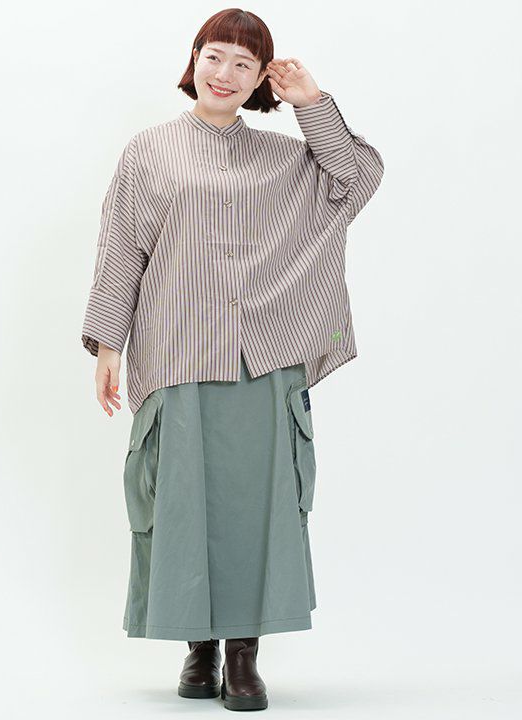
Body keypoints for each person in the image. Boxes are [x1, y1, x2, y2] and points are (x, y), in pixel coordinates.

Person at [80, 8, 384, 712]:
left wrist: (312, 103)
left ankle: (244, 653)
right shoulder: (148, 151)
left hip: (264, 358)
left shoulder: (284, 159)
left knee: (259, 507)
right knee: (181, 504)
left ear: (260, 81)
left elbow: (357, 181)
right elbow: (122, 248)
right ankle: (199, 648)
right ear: (194, 60)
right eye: (215, 56)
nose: (225, 73)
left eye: (245, 64)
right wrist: (108, 345)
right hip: (179, 352)